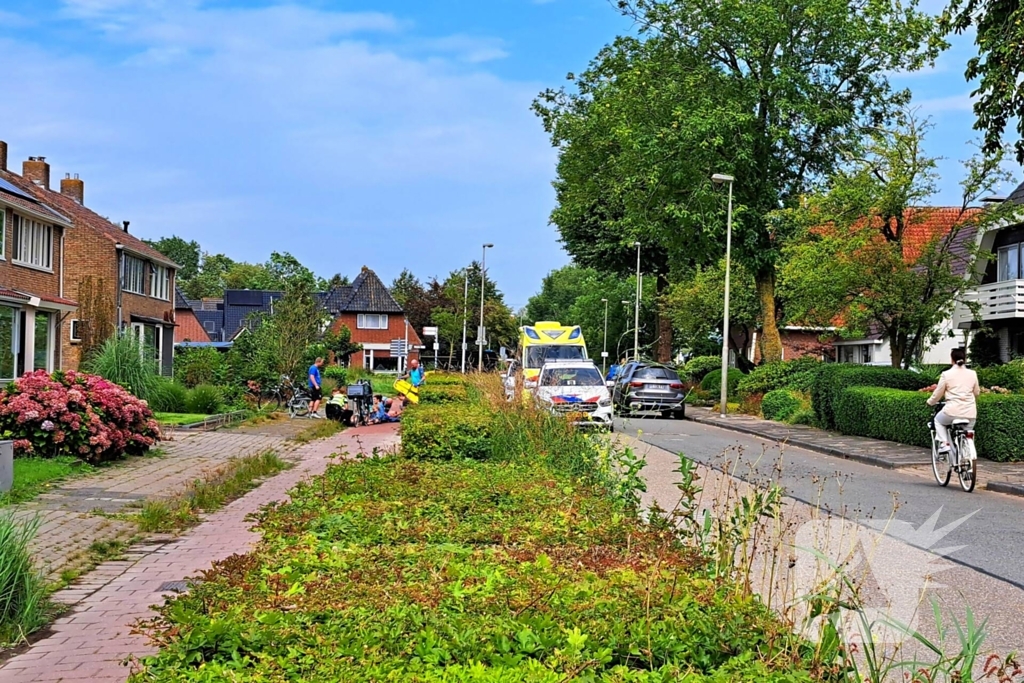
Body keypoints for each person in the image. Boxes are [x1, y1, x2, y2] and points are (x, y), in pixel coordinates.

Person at [926, 348, 980, 455]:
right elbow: (977, 392)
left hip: (951, 412)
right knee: (967, 432)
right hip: (970, 414)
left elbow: (938, 393)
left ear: (952, 360)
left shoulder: (946, 374)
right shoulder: (972, 373)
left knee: (938, 421)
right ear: (965, 359)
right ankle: (966, 456)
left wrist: (930, 402)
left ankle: (945, 444)